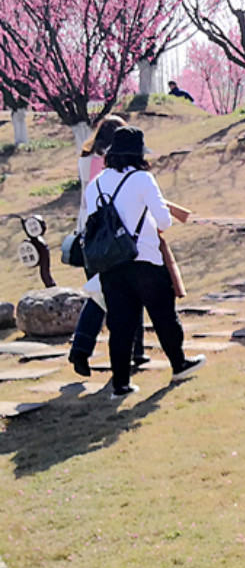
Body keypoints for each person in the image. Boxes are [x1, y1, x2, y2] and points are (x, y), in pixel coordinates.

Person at [78, 127, 207, 397]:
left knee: (120, 325)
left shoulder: (96, 184)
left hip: (111, 264)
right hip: (144, 258)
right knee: (163, 316)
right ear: (138, 153)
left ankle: (121, 384)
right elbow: (164, 220)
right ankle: (179, 363)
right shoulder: (142, 179)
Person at [67, 117, 146, 377]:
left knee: (99, 294)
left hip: (88, 235)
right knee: (132, 290)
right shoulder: (110, 164)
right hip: (114, 235)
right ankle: (135, 350)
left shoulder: (85, 159)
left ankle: (81, 346)